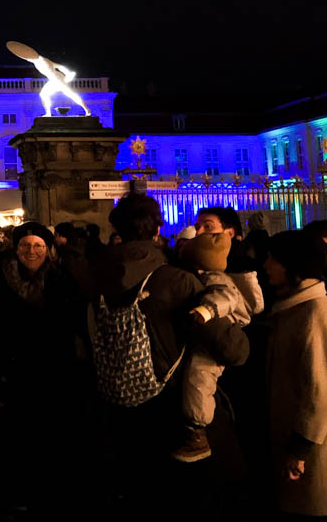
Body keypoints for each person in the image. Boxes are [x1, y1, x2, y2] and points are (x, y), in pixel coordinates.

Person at [88, 195, 248, 514]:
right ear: (158, 229)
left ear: (116, 229)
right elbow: (232, 348)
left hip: (114, 400)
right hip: (169, 403)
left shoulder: (94, 276)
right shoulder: (176, 279)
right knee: (180, 495)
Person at [0, 222, 84, 515]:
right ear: (15, 248)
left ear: (48, 250)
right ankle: (16, 496)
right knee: (13, 444)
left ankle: (50, 495)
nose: (31, 252)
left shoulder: (64, 281)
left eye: (38, 246)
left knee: (51, 444)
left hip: (54, 378)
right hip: (10, 378)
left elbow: (75, 331)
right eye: (25, 245)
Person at [264, 230, 327, 518]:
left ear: (293, 265)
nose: (266, 265)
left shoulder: (314, 314)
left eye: (273, 259)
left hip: (316, 450)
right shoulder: (295, 308)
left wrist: (300, 448)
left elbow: (322, 391)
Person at [172, 230, 263, 462]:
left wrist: (208, 310)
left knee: (199, 375)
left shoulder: (214, 277)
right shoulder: (209, 274)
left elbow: (226, 298)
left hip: (220, 328)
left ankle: (197, 432)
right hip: (219, 331)